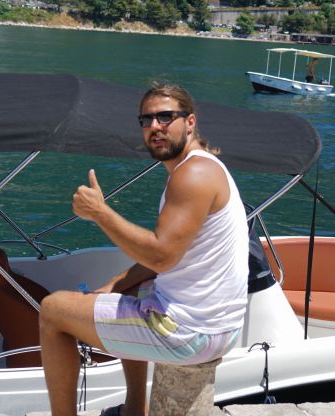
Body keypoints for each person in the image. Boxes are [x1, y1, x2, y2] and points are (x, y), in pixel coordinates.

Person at [39, 83, 248, 416]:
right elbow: (167, 258)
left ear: (190, 122)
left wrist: (100, 213)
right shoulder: (203, 166)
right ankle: (136, 408)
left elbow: (161, 256)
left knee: (53, 311)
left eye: (166, 117)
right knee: (131, 289)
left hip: (190, 333)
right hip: (219, 325)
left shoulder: (192, 175)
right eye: (147, 120)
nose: (155, 127)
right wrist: (115, 286)